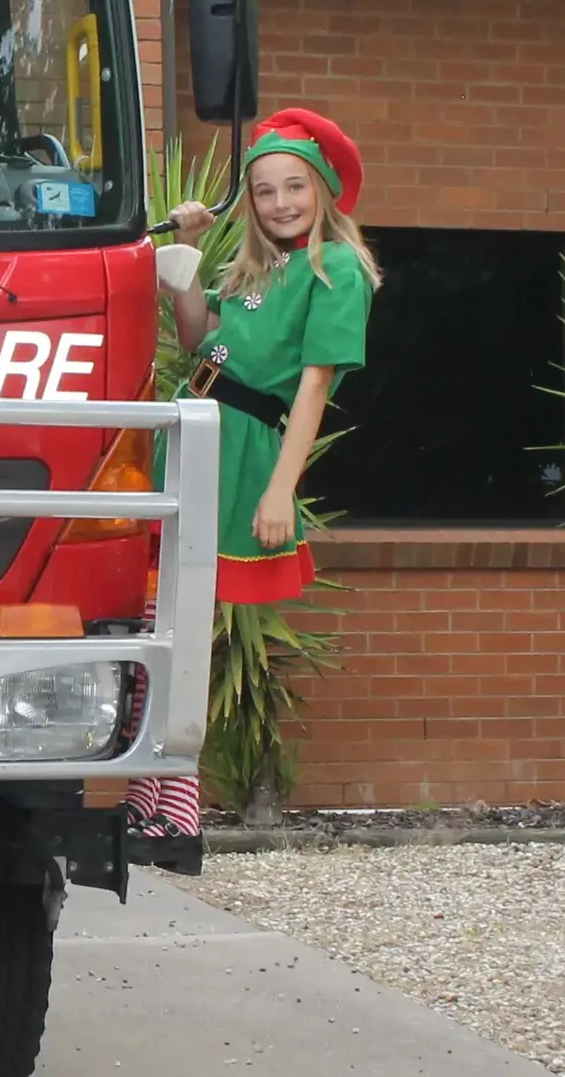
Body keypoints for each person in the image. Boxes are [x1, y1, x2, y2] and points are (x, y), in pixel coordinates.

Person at [131, 107, 379, 839]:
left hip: (240, 450)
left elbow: (311, 386)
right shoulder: (255, 269)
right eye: (264, 189)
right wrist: (184, 264)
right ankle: (150, 790)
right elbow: (198, 340)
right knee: (152, 619)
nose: (279, 202)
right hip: (190, 428)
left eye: (294, 186)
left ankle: (175, 800)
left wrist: (281, 488)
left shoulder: (334, 271)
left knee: (177, 625)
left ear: (324, 190)